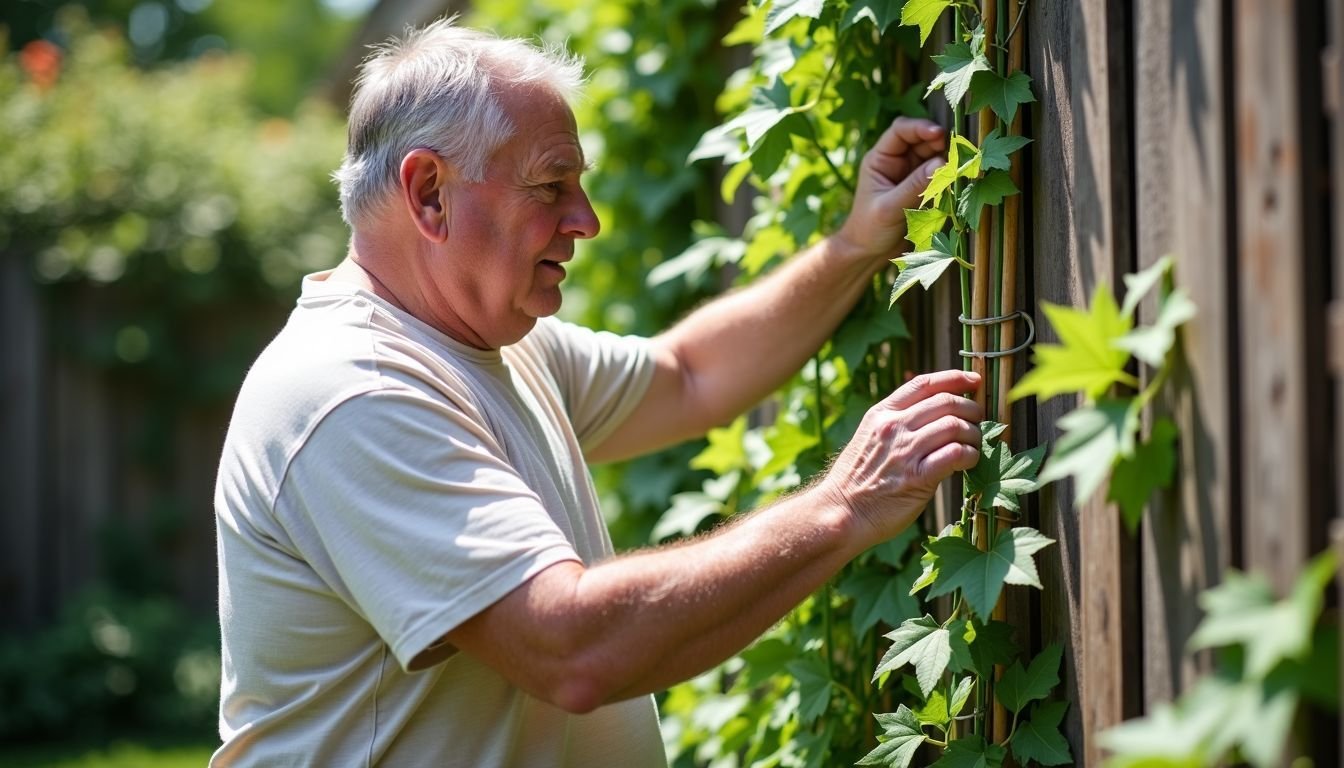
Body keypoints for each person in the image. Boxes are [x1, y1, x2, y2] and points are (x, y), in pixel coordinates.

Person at [212, 19, 981, 768]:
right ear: (429, 194)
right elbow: (570, 647)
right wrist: (843, 504)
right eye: (550, 185)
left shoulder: (488, 346)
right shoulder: (355, 394)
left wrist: (853, 246)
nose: (587, 220)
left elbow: (690, 375)